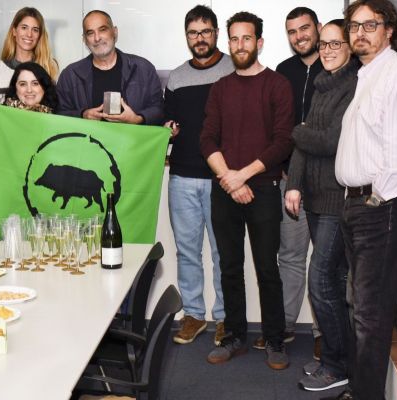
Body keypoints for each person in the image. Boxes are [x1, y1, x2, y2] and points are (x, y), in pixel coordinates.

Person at [329, 1, 397, 399]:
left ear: (389, 30)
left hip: (385, 204)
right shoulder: (366, 74)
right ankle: (359, 390)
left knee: (370, 314)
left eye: (370, 25)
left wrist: (376, 200)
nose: (360, 33)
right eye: (354, 26)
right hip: (360, 203)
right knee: (361, 308)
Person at [199, 11, 294, 370]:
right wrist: (229, 178)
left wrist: (243, 176)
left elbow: (282, 142)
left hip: (265, 190)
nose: (240, 45)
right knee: (229, 267)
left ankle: (274, 340)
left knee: (268, 269)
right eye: (235, 39)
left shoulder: (277, 85)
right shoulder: (220, 88)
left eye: (247, 38)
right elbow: (207, 139)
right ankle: (234, 336)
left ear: (260, 42)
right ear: (229, 43)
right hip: (225, 190)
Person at [284, 19, 359, 392]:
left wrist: (299, 131)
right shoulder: (322, 84)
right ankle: (337, 359)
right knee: (334, 281)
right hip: (312, 197)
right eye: (324, 45)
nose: (327, 51)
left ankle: (336, 365)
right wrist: (294, 185)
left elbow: (331, 141)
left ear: (350, 47)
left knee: (321, 280)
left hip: (335, 200)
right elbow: (304, 146)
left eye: (335, 44)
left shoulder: (354, 85)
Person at [164, 5, 234, 347]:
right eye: (193, 33)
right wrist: (169, 128)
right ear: (187, 37)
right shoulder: (176, 77)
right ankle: (193, 314)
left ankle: (225, 317)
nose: (200, 38)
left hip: (223, 178)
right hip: (182, 176)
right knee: (187, 251)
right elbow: (168, 120)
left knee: (224, 252)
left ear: (216, 33)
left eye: (206, 31)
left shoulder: (234, 69)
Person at [255, 6, 323, 352]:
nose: (300, 36)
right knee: (291, 257)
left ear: (318, 28)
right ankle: (282, 327)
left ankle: (325, 335)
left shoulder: (340, 67)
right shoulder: (283, 71)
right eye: (293, 31)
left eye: (305, 28)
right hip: (289, 181)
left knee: (328, 262)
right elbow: (277, 128)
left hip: (330, 184)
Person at [56, 10, 164, 126]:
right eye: (90, 33)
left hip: (132, 138)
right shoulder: (70, 75)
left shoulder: (143, 69)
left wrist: (138, 119)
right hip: (88, 138)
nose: (97, 38)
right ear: (84, 40)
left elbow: (160, 109)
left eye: (102, 30)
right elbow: (58, 114)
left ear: (115, 32)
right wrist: (82, 115)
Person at [0, 61, 59, 170]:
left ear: (44, 86)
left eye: (35, 83)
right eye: (23, 84)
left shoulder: (57, 119)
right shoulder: (2, 118)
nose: (29, 90)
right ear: (15, 88)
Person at [0, 7, 58, 104]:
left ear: (39, 35)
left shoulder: (48, 68)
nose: (29, 34)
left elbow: (53, 109)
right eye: (24, 28)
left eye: (35, 30)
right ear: (14, 31)